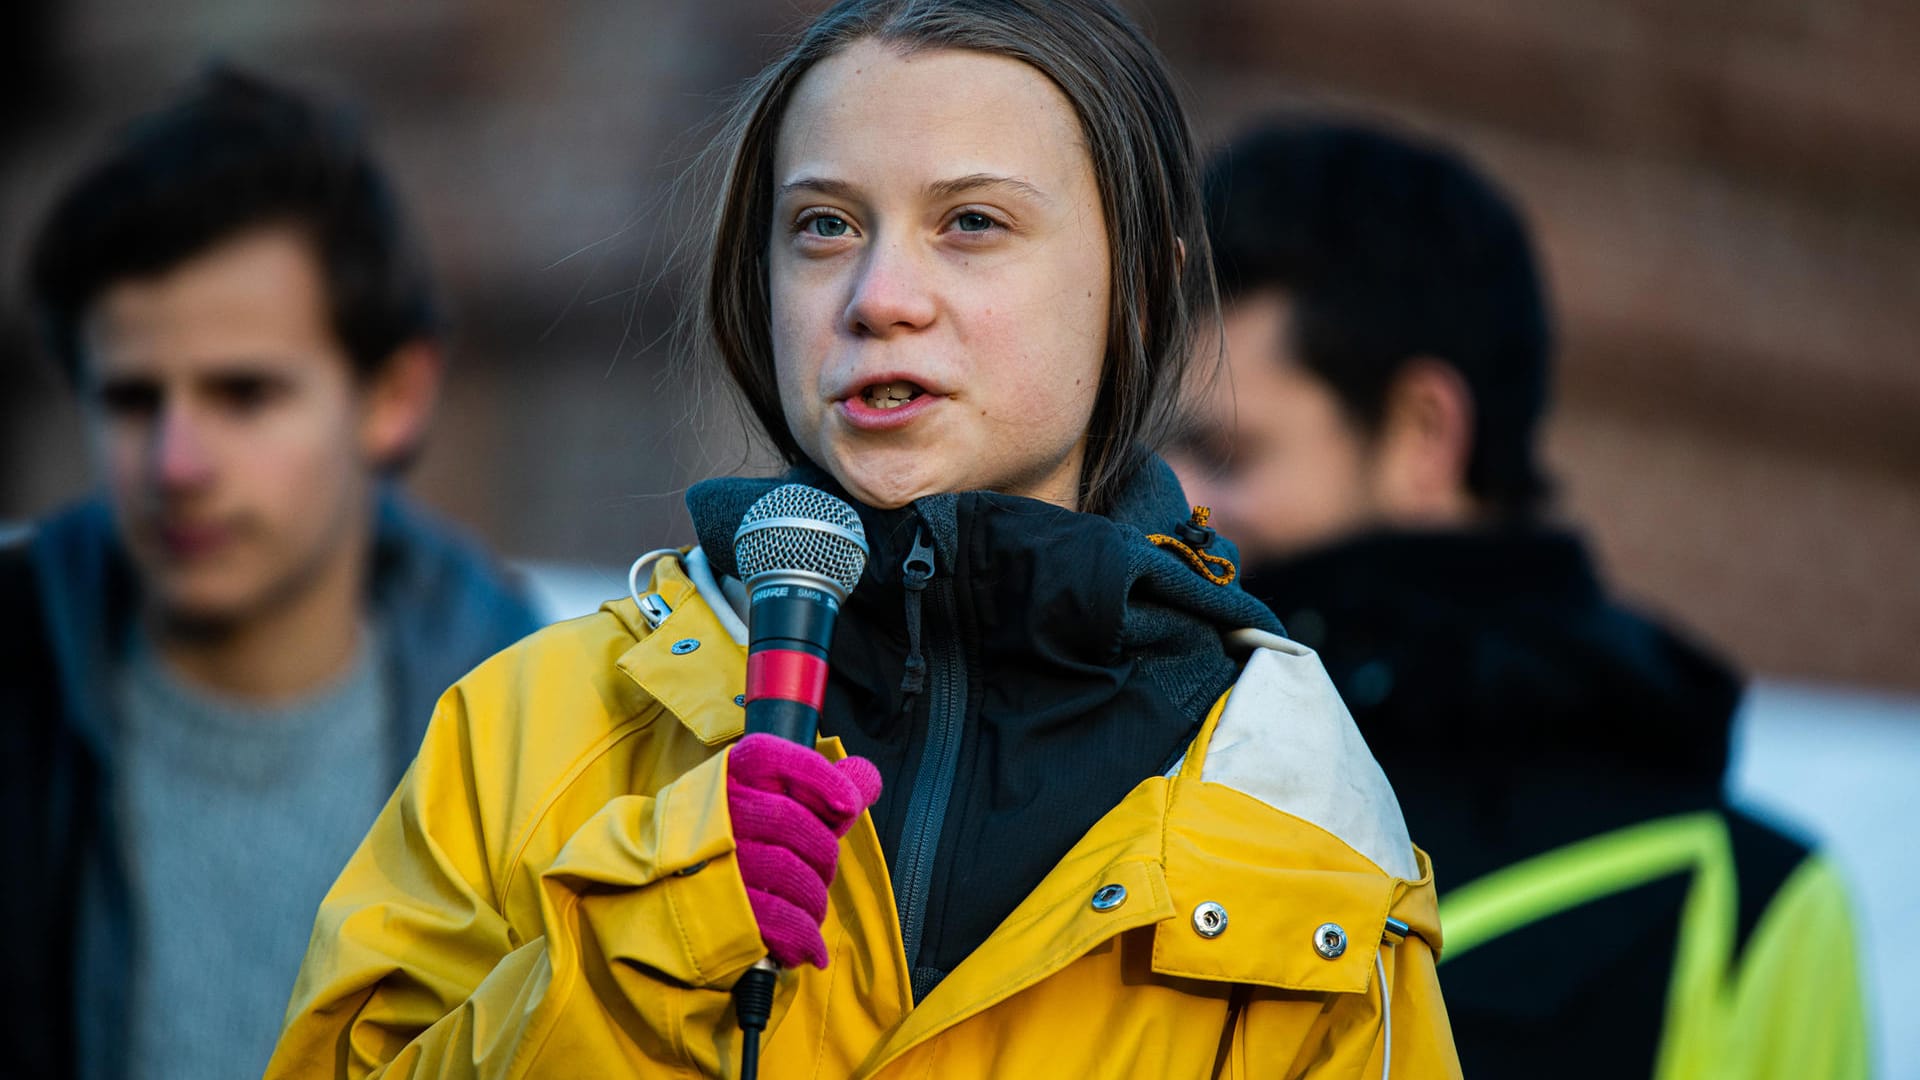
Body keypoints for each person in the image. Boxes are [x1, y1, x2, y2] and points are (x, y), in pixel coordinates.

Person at [265, 3, 1461, 1076]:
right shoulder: (529, 727)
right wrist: (645, 944)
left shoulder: (1296, 801)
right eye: (825, 225)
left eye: (973, 222)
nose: (879, 295)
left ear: (1142, 288)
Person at [1171, 120, 1869, 1078]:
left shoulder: (1734, 897)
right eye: (1144, 452)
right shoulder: (1120, 760)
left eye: (1225, 455)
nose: (1170, 503)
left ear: (1423, 433)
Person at [0, 67, 543, 1080]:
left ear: (394, 395)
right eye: (129, 399)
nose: (176, 464)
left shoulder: (542, 732)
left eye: (243, 394)